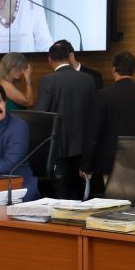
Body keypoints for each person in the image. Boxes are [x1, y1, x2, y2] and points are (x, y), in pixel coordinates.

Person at [80, 50, 135, 194]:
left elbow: (93, 135)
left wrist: (86, 166)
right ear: (133, 70)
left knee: (114, 204)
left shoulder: (103, 96)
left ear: (113, 69)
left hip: (111, 165)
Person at [35, 40, 96, 199]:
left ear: (49, 59)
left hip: (58, 149)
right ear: (69, 57)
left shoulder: (48, 80)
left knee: (61, 196)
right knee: (79, 195)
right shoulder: (88, 80)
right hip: (83, 149)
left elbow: (40, 116)